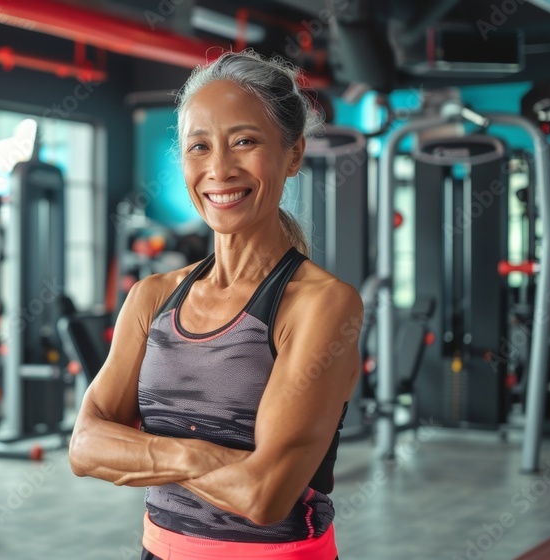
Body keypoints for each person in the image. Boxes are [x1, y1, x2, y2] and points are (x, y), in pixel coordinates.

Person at [68, 50, 362, 560]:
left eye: (244, 141)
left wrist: (141, 452)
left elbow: (264, 494)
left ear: (293, 154)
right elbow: (84, 447)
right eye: (199, 147)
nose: (219, 169)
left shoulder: (322, 304)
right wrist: (199, 456)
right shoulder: (152, 297)